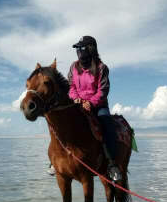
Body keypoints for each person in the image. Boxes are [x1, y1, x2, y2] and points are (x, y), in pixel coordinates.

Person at [48, 35, 121, 181]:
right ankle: (54, 160)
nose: (80, 51)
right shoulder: (74, 67)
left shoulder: (101, 68)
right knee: (60, 124)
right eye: (78, 48)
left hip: (98, 105)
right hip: (77, 103)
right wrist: (76, 98)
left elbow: (103, 90)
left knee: (107, 125)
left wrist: (91, 103)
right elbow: (71, 86)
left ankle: (112, 164)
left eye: (82, 48)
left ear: (90, 49)